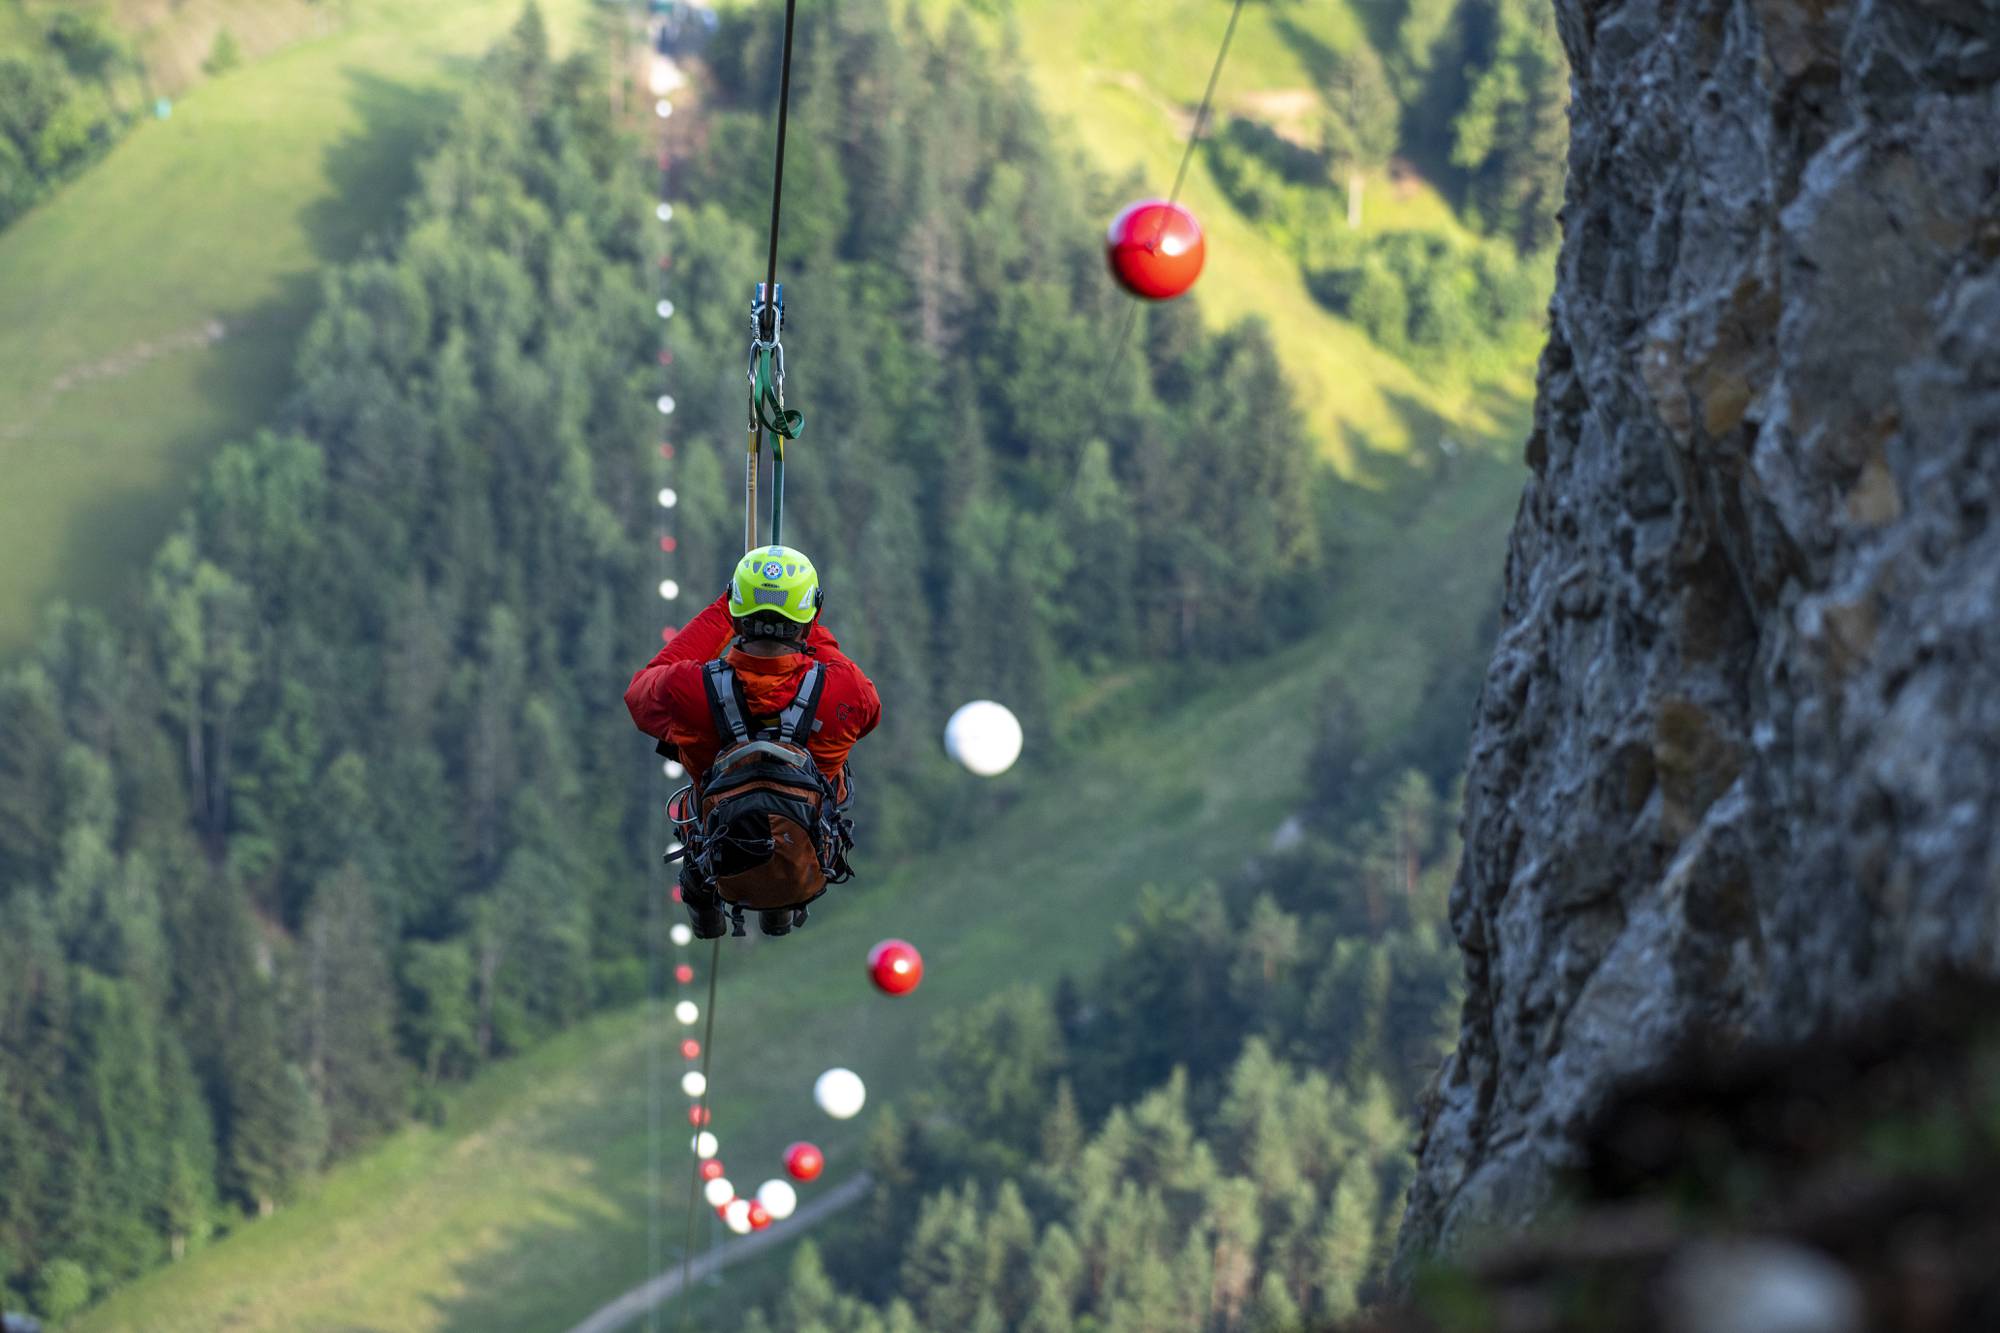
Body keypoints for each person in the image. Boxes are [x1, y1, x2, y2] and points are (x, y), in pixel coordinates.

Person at [625, 545, 880, 937]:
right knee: (833, 773)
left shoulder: (687, 688)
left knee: (697, 788)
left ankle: (703, 885)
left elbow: (641, 692)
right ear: (809, 615)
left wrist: (725, 611)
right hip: (807, 836)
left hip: (721, 832)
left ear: (738, 613)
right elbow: (863, 705)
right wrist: (810, 619)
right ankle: (781, 896)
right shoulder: (847, 690)